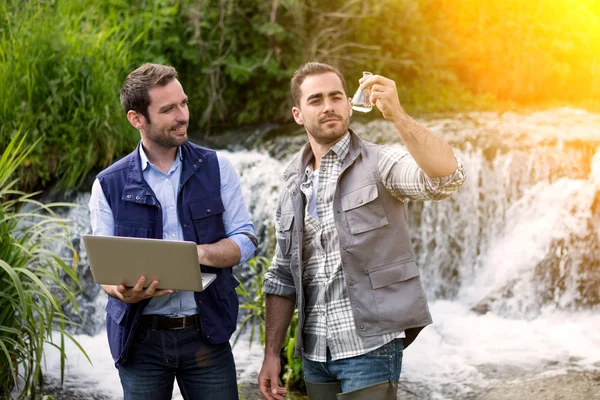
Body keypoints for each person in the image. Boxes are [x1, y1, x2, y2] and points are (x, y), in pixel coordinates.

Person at [258, 62, 466, 400]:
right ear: (298, 114)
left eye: (336, 97)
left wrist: (397, 115)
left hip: (370, 348)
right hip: (315, 355)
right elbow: (282, 273)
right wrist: (271, 353)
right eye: (316, 100)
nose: (328, 106)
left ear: (348, 104)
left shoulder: (380, 163)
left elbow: (445, 179)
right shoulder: (292, 183)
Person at [88, 63, 257, 400]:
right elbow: (102, 269)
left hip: (207, 332)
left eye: (184, 103)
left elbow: (246, 239)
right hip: (140, 342)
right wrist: (123, 291)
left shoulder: (218, 167)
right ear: (137, 119)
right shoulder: (107, 184)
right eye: (168, 109)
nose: (183, 115)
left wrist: (202, 254)